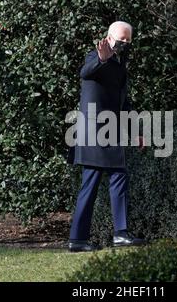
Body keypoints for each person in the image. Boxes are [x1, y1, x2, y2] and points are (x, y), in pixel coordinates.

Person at [66, 21, 145, 252]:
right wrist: (101, 59)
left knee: (117, 177)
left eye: (128, 41)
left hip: (110, 132)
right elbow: (85, 72)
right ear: (109, 38)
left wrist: (136, 132)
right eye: (121, 40)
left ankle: (116, 234)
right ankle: (80, 239)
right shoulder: (95, 57)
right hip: (93, 133)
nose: (124, 44)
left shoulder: (120, 67)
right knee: (91, 185)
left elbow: (124, 104)